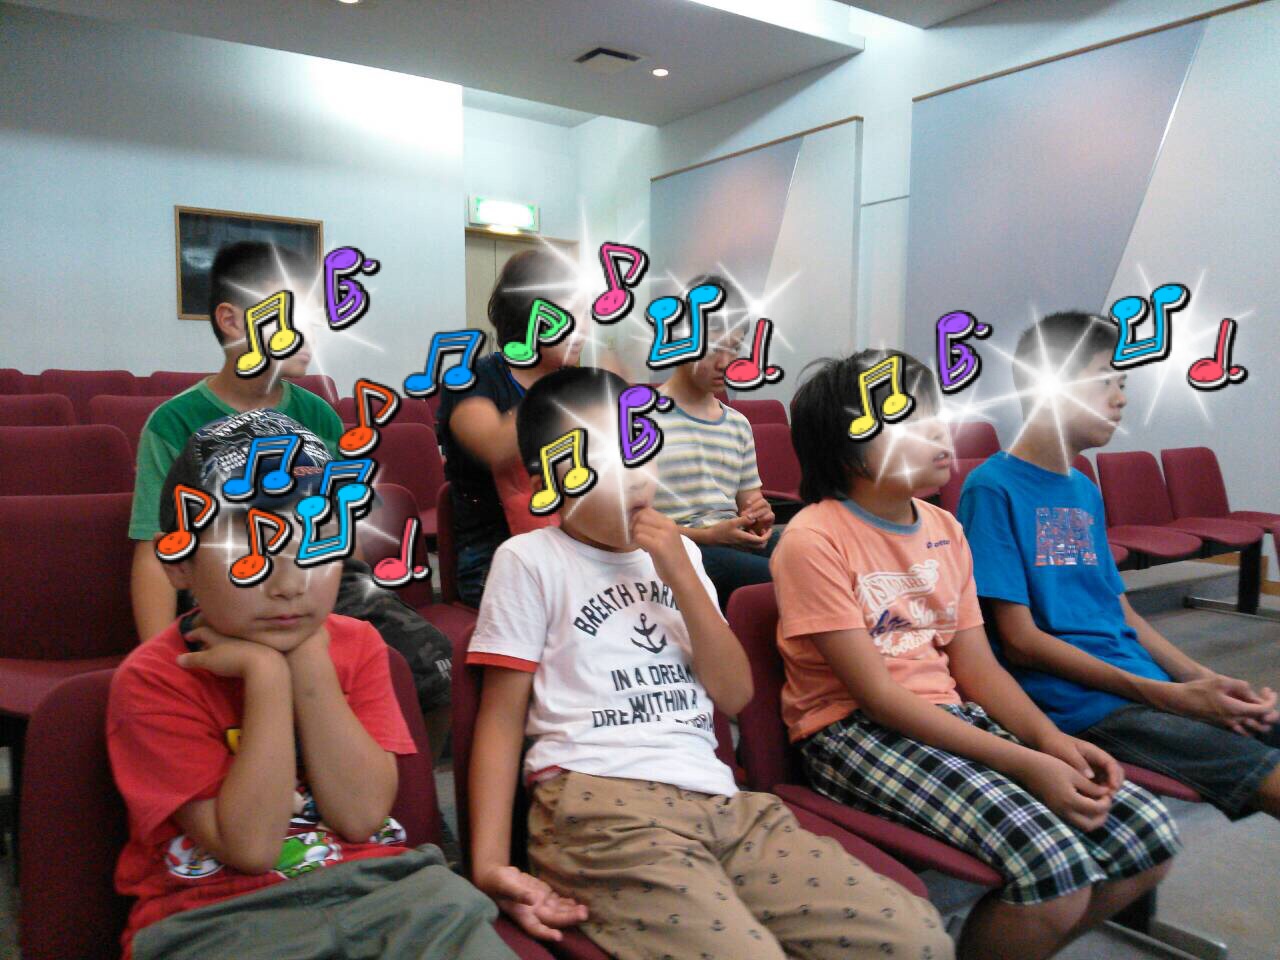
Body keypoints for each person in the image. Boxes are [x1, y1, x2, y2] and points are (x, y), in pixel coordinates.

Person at [465, 366, 951, 960]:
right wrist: (489, 864)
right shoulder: (529, 560)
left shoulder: (682, 557)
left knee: (916, 940)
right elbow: (499, 721)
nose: (632, 476)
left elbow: (734, 694)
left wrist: (679, 571)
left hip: (722, 801)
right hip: (599, 805)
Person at [772, 349, 1181, 960]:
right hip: (853, 733)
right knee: (1055, 873)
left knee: (1148, 839)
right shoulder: (813, 538)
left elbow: (978, 668)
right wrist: (1027, 764)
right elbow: (878, 698)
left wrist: (1050, 742)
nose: (941, 430)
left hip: (950, 716)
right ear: (849, 450)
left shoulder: (946, 528)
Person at [108, 412, 516, 960]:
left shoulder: (359, 647)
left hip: (389, 892)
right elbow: (251, 847)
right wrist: (268, 681)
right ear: (179, 562)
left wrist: (309, 662)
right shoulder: (155, 678)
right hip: (219, 918)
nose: (290, 583)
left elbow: (361, 817)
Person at [128, 240, 452, 754]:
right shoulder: (174, 422)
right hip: (229, 582)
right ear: (232, 321)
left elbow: (340, 528)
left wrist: (356, 590)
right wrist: (162, 655)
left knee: (431, 660)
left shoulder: (318, 414)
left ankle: (411, 782)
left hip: (318, 577)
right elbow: (155, 549)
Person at [958, 311, 1280, 820]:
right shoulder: (991, 488)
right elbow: (1020, 641)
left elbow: (1119, 611)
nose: (1121, 398)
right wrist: (1171, 698)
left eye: (1123, 384)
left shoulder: (1084, 490)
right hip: (1084, 705)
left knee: (1265, 720)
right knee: (1268, 777)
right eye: (1105, 381)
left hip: (1140, 683)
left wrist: (1202, 678)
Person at [436, 249, 583, 606]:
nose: (581, 329)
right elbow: (494, 447)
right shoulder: (474, 380)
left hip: (575, 543)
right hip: (494, 557)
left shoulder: (574, 383)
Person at [653, 274, 776, 609]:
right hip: (679, 548)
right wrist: (708, 536)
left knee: (812, 553)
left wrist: (759, 517)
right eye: (712, 349)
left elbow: (751, 502)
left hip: (729, 541)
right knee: (785, 576)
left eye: (734, 348)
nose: (725, 363)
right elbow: (632, 523)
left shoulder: (737, 424)